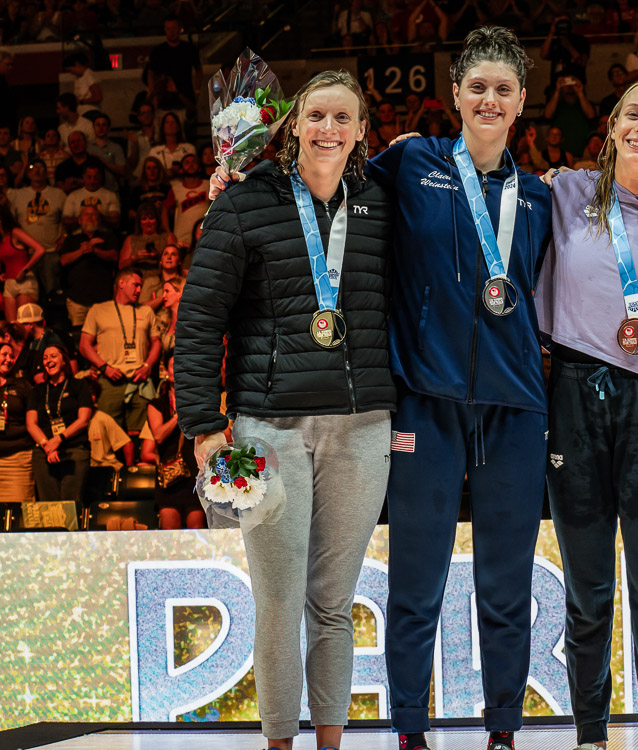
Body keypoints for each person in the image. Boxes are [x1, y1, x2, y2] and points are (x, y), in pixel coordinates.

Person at [179, 69, 395, 750]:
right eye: (317, 116)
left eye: (343, 119)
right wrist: (202, 424)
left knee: (332, 603)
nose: (328, 130)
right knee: (277, 601)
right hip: (265, 429)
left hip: (362, 431)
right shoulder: (245, 204)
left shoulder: (381, 204)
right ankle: (279, 742)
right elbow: (198, 316)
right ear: (294, 124)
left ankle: (330, 742)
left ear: (363, 131)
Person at [365, 26, 552, 750]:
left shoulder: (536, 196)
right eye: (477, 86)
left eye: (503, 88)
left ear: (522, 102)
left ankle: (503, 730)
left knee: (506, 587)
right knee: (417, 580)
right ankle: (411, 729)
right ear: (454, 96)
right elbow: (330, 181)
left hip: (513, 409)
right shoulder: (411, 161)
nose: (489, 99)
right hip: (425, 401)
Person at [535, 79, 638, 750]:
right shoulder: (564, 191)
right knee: (587, 589)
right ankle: (591, 737)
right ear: (611, 124)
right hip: (572, 392)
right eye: (633, 113)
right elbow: (481, 205)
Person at [79, 267, 161, 434]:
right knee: (109, 431)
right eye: (136, 285)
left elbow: (157, 342)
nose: (139, 290)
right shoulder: (98, 310)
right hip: (109, 381)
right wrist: (104, 367)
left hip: (139, 381)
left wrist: (147, 366)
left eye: (141, 286)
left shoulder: (145, 311)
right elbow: (84, 345)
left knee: (140, 433)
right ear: (121, 283)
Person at [140, 351, 204, 529]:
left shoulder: (198, 402)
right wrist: (179, 415)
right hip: (169, 475)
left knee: (197, 530)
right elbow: (159, 436)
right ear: (166, 372)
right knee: (170, 533)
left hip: (194, 473)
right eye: (173, 365)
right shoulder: (156, 404)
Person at [25, 344, 94, 502]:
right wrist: (47, 446)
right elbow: (31, 424)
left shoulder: (79, 385)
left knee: (70, 504)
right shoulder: (37, 391)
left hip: (74, 449)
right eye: (45, 358)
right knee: (49, 506)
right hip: (44, 452)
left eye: (53, 356)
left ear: (64, 361)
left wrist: (59, 439)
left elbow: (83, 420)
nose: (48, 360)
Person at [9, 158, 66, 299]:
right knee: (27, 293)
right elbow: (11, 221)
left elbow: (66, 219)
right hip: (26, 254)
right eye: (33, 167)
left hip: (50, 251)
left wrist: (64, 236)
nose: (37, 170)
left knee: (52, 293)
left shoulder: (58, 194)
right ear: (27, 174)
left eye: (41, 167)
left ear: (47, 174)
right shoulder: (17, 194)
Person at [60, 205, 119, 327]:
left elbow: (114, 256)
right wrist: (82, 251)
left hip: (102, 300)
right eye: (86, 215)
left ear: (99, 220)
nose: (90, 218)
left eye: (93, 215)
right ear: (79, 220)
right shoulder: (71, 240)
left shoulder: (108, 237)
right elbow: (64, 260)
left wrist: (95, 250)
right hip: (77, 300)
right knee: (78, 336)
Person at [119, 201, 177, 301]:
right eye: (144, 219)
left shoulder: (167, 237)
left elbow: (176, 259)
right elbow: (121, 265)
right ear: (139, 221)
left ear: (157, 220)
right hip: (137, 284)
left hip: (162, 282)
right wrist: (135, 258)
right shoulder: (131, 239)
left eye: (151, 218)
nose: (148, 222)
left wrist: (159, 256)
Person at [0, 340, 35, 503]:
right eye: (4, 355)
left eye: (11, 356)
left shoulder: (22, 386)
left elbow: (35, 419)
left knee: (19, 510)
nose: (9, 359)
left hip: (18, 458)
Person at [0, 206, 46, 323]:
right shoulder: (2, 239)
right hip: (9, 284)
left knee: (24, 323)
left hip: (24, 283)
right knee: (12, 326)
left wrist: (24, 270)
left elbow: (40, 249)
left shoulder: (15, 233)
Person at [162, 152, 208, 250]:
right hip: (181, 241)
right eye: (187, 163)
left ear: (200, 167)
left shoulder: (210, 185)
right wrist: (168, 233)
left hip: (205, 239)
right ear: (181, 170)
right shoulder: (176, 189)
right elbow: (165, 210)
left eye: (193, 162)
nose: (191, 165)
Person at [63, 163, 121, 231]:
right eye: (89, 177)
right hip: (79, 237)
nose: (92, 181)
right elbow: (65, 221)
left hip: (103, 237)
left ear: (100, 177)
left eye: (95, 177)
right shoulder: (73, 196)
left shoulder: (110, 195)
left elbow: (115, 220)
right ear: (83, 177)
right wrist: (84, 217)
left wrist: (98, 216)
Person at [87, 112, 128, 195]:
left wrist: (102, 161)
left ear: (108, 128)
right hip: (90, 191)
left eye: (104, 125)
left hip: (111, 191)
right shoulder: (87, 147)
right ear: (93, 127)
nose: (100, 128)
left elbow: (122, 170)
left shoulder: (116, 147)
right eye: (98, 125)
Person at [148, 112, 195, 176]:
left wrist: (180, 171)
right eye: (167, 122)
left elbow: (194, 169)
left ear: (178, 127)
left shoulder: (189, 148)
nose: (170, 124)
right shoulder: (154, 151)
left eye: (173, 122)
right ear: (163, 127)